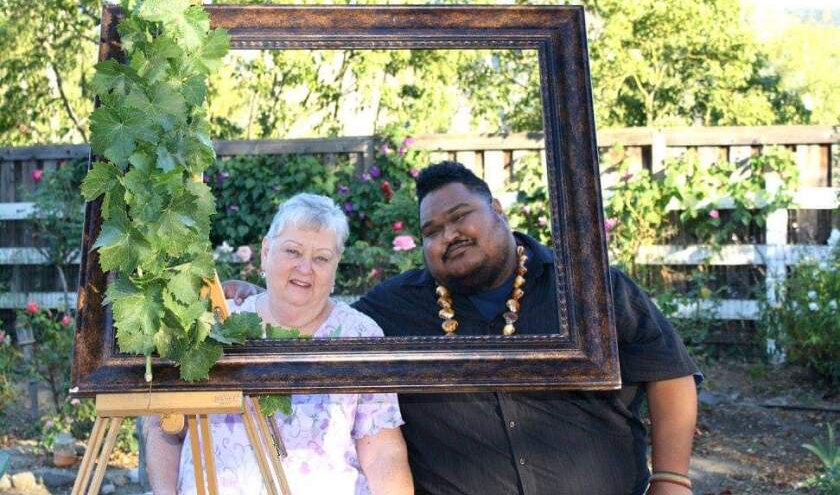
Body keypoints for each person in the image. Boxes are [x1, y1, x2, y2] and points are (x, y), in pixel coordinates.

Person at [227, 162, 700, 495]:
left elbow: (669, 374)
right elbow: (319, 317)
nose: (447, 234)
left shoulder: (590, 289)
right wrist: (259, 292)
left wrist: (672, 478)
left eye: (459, 217)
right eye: (431, 231)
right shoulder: (394, 309)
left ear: (497, 208)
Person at [144, 193, 414, 495]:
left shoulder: (360, 336)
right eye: (293, 251)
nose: (305, 268)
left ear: (336, 266)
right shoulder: (216, 325)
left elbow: (382, 452)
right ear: (265, 252)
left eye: (321, 258)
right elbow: (163, 428)